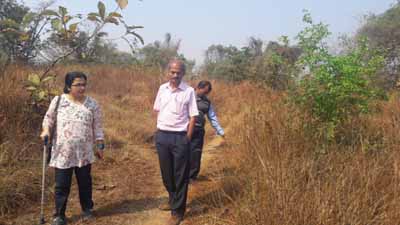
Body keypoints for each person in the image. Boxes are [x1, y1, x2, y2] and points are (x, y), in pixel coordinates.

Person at [40, 71, 105, 225]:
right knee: (62, 185)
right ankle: (59, 215)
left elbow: (98, 128)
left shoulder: (92, 104)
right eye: (78, 85)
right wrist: (46, 131)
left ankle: (87, 209)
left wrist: (100, 145)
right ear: (69, 86)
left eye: (84, 84)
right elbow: (48, 119)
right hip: (63, 152)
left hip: (84, 153)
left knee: (85, 182)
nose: (82, 88)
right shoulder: (58, 101)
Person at [153, 59, 199, 225]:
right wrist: (158, 131)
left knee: (180, 176)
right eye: (172, 72)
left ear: (183, 73)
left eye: (178, 72)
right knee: (167, 175)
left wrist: (187, 137)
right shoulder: (162, 89)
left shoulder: (189, 91)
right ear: (168, 72)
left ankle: (177, 212)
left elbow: (193, 115)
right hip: (162, 136)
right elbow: (157, 110)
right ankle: (172, 199)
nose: (175, 75)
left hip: (180, 137)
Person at [189, 80, 224, 182]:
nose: (205, 94)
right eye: (204, 92)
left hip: (198, 131)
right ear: (198, 88)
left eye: (207, 93)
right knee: (183, 153)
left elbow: (212, 117)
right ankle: (180, 175)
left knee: (196, 153)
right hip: (184, 130)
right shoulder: (188, 95)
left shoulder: (207, 102)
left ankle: (192, 177)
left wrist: (220, 131)